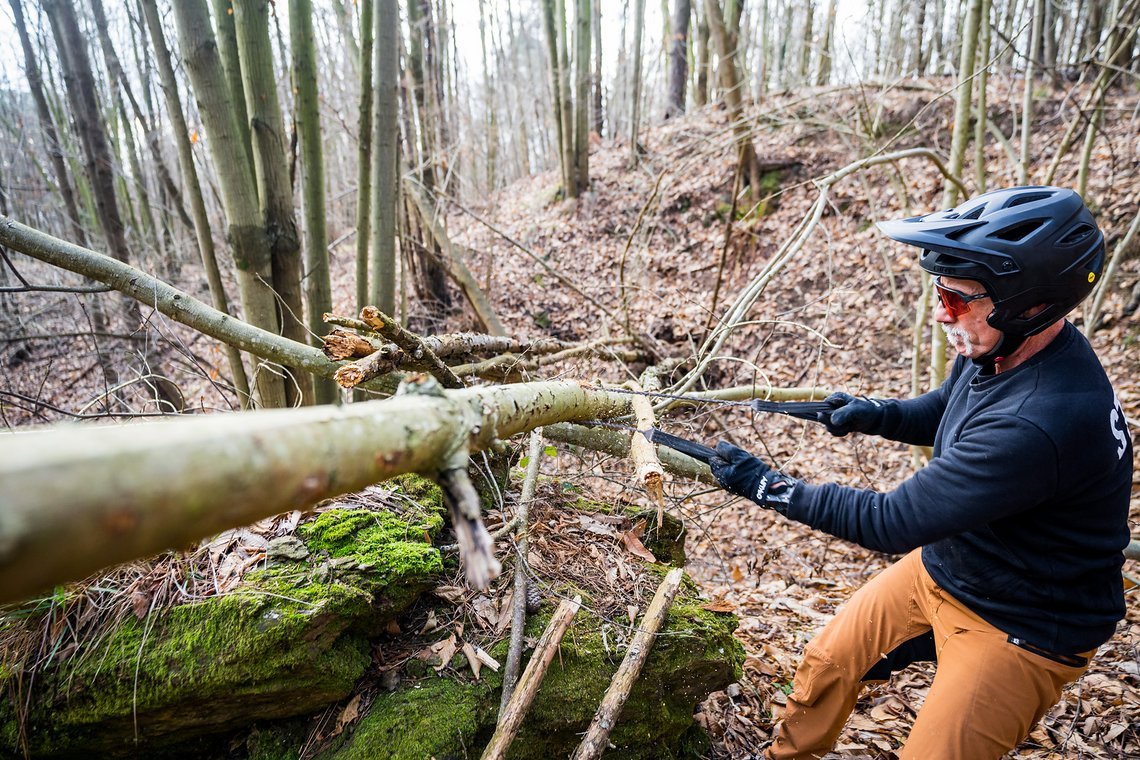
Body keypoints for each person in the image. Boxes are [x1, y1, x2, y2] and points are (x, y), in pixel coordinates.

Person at [709, 186, 1133, 759]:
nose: (941, 312)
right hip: (954, 565)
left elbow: (892, 521)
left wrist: (764, 484)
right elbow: (948, 410)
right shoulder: (1007, 345)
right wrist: (876, 415)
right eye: (940, 291)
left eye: (957, 299)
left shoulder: (1044, 419)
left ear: (1030, 302)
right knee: (827, 664)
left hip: (1025, 625)